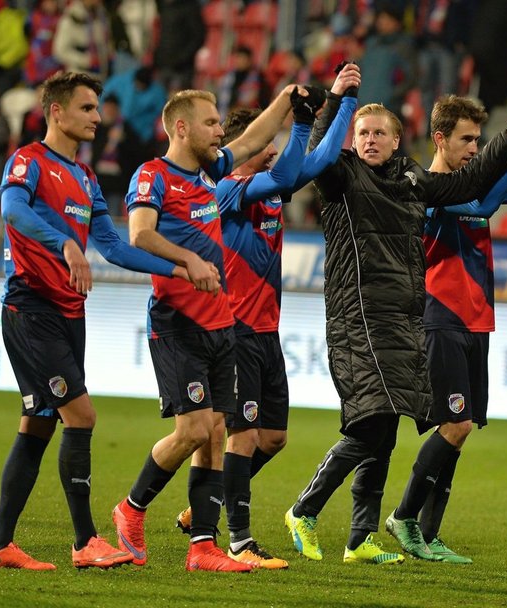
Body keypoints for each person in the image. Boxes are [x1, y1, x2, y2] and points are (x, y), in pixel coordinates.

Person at [284, 81, 507, 565]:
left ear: (397, 140)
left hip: (405, 318)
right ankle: (304, 509)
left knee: (385, 428)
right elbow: (316, 153)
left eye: (380, 132)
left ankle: (360, 538)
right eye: (363, 132)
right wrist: (338, 102)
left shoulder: (413, 181)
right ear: (353, 137)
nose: (370, 140)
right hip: (357, 315)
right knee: (371, 423)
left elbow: (467, 187)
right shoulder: (340, 176)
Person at [0, 71, 194, 570]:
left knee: (38, 423)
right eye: (87, 108)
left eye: (98, 108)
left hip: (69, 313)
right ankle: (86, 542)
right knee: (80, 416)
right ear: (56, 111)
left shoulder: (85, 179)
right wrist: (62, 241)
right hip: (31, 308)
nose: (98, 117)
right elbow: (12, 210)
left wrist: (178, 267)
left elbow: (112, 247)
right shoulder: (28, 161)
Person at [111, 84, 309, 572]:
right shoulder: (153, 175)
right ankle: (131, 508)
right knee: (194, 431)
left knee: (215, 434)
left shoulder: (210, 173)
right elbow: (138, 232)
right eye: (211, 122)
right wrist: (186, 262)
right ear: (181, 127)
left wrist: (287, 101)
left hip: (223, 320)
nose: (220, 131)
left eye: (221, 123)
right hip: (178, 320)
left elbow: (250, 141)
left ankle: (203, 548)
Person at [172, 65, 360, 570]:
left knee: (274, 438)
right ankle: (239, 540)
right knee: (244, 435)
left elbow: (319, 159)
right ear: (237, 151)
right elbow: (286, 166)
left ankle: (205, 504)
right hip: (234, 329)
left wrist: (342, 102)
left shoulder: (273, 188)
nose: (271, 149)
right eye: (262, 143)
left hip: (268, 331)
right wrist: (300, 121)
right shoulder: (228, 188)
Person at [384, 91, 507, 564]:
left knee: (458, 430)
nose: (474, 149)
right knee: (454, 424)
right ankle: (403, 517)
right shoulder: (427, 189)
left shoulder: (475, 189)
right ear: (439, 138)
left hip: (477, 320)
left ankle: (429, 533)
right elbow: (486, 204)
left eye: (479, 140)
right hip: (440, 318)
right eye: (466, 140)